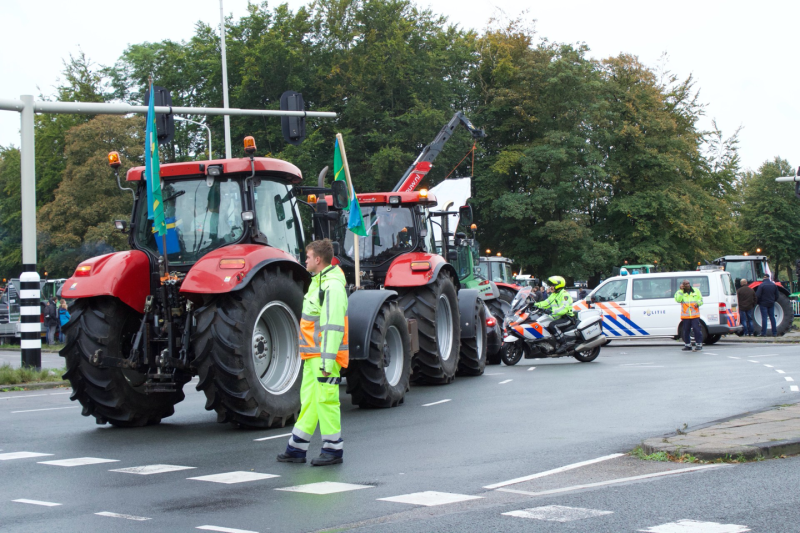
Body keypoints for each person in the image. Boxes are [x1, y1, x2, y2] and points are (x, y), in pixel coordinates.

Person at [278, 239, 349, 466]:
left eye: (307, 257)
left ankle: (333, 450)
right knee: (309, 402)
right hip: (312, 357)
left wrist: (327, 362)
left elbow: (333, 327)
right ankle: (296, 448)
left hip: (323, 358)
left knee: (326, 401)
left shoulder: (331, 286)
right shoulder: (319, 282)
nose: (305, 260)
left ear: (317, 259)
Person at [534, 275, 575, 353]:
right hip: (557, 317)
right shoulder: (554, 294)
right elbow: (546, 303)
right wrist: (535, 304)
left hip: (566, 318)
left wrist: (552, 311)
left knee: (552, 325)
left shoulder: (564, 295)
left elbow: (564, 309)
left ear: (558, 285)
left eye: (552, 285)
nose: (550, 287)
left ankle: (564, 343)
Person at [675, 280, 703, 351]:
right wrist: (681, 291)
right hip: (686, 315)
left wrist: (698, 303)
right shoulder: (680, 292)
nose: (687, 285)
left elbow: (701, 300)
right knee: (686, 331)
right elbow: (678, 300)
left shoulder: (696, 291)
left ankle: (699, 344)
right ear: (683, 285)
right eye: (685, 284)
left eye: (688, 283)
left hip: (695, 315)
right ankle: (687, 345)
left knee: (697, 330)